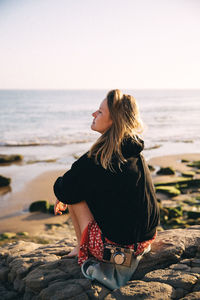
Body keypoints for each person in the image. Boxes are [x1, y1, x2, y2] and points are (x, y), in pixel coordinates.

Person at [53, 89, 160, 289]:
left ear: (114, 121)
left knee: (75, 194)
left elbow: (66, 187)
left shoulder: (98, 158)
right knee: (81, 188)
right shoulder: (134, 152)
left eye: (100, 112)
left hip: (116, 253)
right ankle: (84, 246)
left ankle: (80, 249)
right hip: (145, 241)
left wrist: (62, 196)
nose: (94, 114)